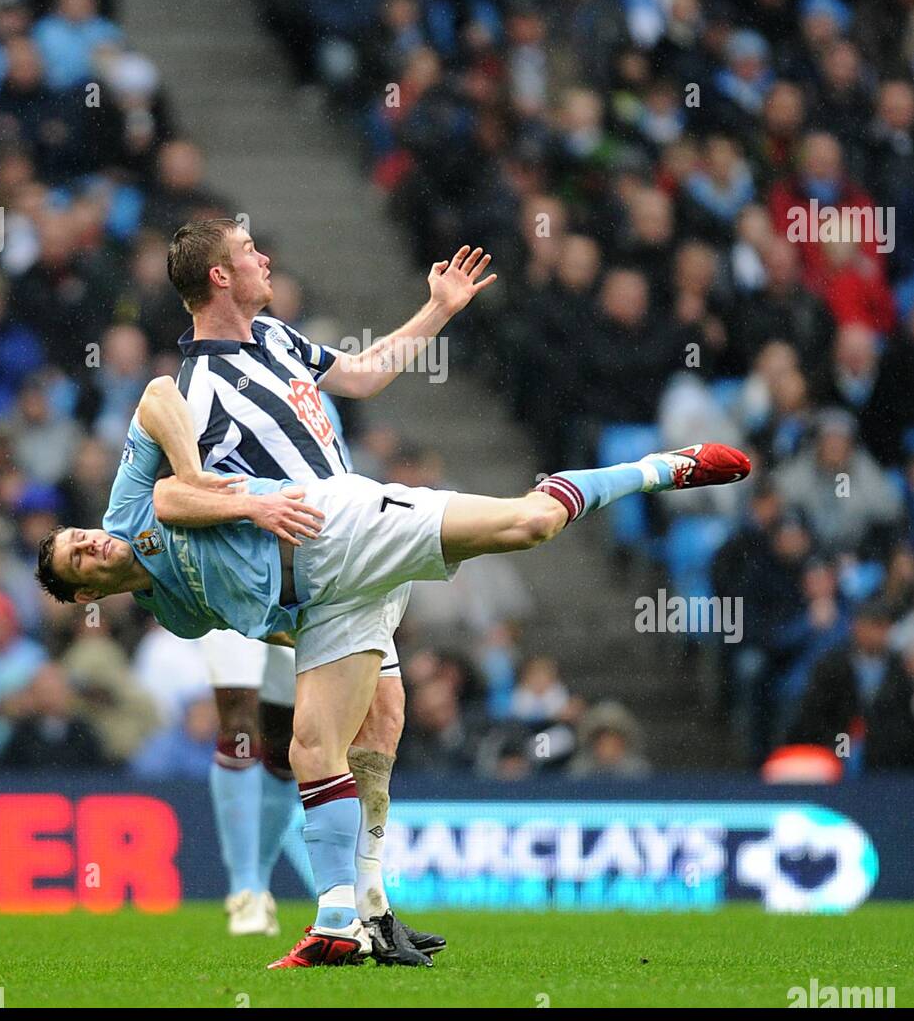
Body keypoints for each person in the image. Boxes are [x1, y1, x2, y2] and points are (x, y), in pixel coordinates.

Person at [37, 334, 750, 969]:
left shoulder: (129, 508)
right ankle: (361, 913)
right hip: (329, 597)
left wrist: (193, 477)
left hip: (343, 531)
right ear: (83, 598)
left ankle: (662, 467)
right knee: (344, 742)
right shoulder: (175, 614)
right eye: (80, 560)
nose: (93, 544)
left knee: (528, 523)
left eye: (80, 536)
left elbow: (160, 394)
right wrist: (339, 653)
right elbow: (263, 622)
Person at [167, 218, 468, 963]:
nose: (265, 257)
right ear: (218, 278)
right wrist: (250, 507)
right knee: (288, 733)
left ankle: (367, 904)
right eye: (247, 253)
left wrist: (437, 310)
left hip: (346, 541)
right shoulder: (193, 389)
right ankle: (270, 894)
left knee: (382, 717)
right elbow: (174, 496)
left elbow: (361, 376)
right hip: (268, 577)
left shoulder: (273, 336)